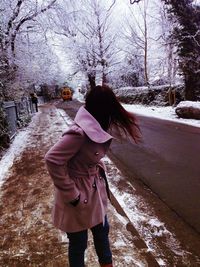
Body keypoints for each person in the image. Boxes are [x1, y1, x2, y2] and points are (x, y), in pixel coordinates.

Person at [45, 85, 141, 267]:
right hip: (78, 196)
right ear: (102, 109)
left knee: (102, 233)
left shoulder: (95, 126)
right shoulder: (78, 133)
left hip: (94, 191)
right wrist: (72, 195)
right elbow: (52, 159)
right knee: (79, 244)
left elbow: (89, 156)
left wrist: (97, 168)